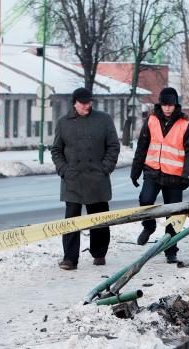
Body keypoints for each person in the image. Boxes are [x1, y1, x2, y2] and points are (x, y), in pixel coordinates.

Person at [51, 87, 120, 270]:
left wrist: (105, 168)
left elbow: (113, 146)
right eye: (83, 103)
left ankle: (99, 253)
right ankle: (70, 259)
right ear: (74, 103)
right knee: (71, 221)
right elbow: (56, 150)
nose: (87, 106)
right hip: (72, 179)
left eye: (89, 102)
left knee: (99, 219)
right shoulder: (63, 122)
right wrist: (64, 170)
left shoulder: (103, 119)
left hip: (97, 178)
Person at [130, 87, 189, 263]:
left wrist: (187, 175)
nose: (167, 108)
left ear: (176, 105)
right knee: (145, 200)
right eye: (164, 104)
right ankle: (149, 226)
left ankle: (170, 250)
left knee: (173, 214)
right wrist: (135, 170)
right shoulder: (152, 120)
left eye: (171, 105)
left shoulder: (185, 124)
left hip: (174, 176)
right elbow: (142, 146)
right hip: (152, 171)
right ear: (160, 104)